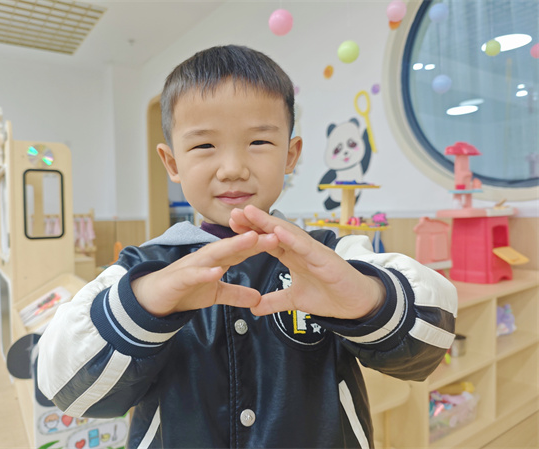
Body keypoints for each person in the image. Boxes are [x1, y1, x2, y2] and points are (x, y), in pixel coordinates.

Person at [37, 45, 457, 448]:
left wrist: (369, 299)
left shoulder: (331, 255)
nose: (233, 168)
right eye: (204, 145)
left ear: (290, 155)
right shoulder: (144, 269)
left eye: (258, 142)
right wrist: (142, 306)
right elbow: (66, 388)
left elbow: (428, 346)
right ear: (172, 163)